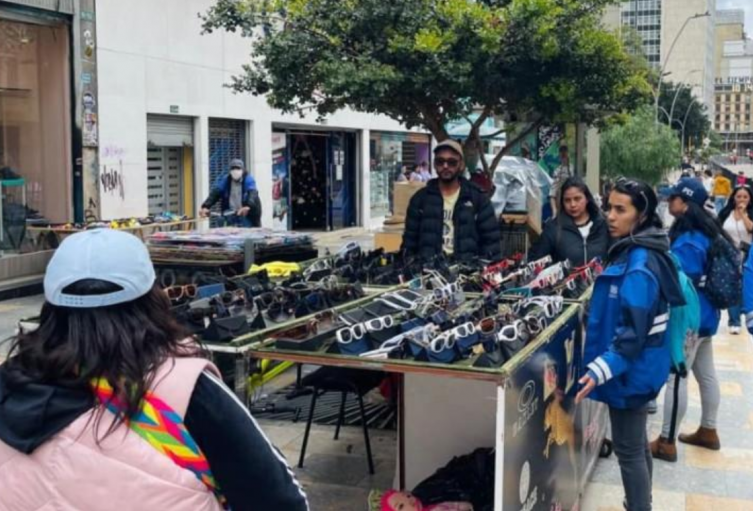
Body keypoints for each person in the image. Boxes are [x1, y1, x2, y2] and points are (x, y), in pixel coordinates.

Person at [0, 230, 309, 511]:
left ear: (51, 305)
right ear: (153, 298)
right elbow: (281, 501)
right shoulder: (185, 389)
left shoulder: (9, 385)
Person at [577, 178, 685, 511]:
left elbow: (633, 333)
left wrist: (600, 369)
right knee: (636, 445)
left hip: (630, 373)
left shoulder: (640, 264)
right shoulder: (643, 249)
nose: (610, 216)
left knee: (628, 450)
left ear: (642, 215)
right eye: (608, 207)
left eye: (620, 209)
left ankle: (639, 505)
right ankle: (641, 502)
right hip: (640, 368)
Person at [650, 178, 723, 463]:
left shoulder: (690, 239)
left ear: (686, 203)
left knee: (677, 375)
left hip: (690, 318)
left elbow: (681, 281)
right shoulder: (707, 231)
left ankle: (666, 441)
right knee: (706, 374)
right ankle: (708, 430)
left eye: (674, 197)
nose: (670, 201)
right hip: (706, 315)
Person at [401, 139, 502, 262]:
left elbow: (491, 243)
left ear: (461, 165)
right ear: (434, 164)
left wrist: (484, 268)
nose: (445, 166)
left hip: (467, 270)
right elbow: (409, 243)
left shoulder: (478, 198)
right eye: (440, 161)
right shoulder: (420, 200)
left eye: (452, 162)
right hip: (428, 269)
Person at [529, 177, 610, 267]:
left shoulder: (603, 225)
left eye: (577, 199)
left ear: (587, 199)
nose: (572, 204)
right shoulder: (554, 228)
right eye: (567, 200)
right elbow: (535, 262)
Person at [716, 186, 753, 334]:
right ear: (733, 198)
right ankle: (734, 320)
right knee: (732, 286)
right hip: (728, 255)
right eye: (739, 196)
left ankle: (748, 315)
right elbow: (717, 230)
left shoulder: (750, 214)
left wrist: (744, 214)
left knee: (745, 286)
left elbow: (751, 229)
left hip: (748, 256)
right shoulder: (726, 213)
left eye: (745, 197)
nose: (741, 200)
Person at [200, 159, 262, 227]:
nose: (235, 171)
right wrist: (206, 206)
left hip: (246, 214)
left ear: (243, 169)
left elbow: (252, 193)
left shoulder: (248, 179)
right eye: (233, 168)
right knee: (222, 224)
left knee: (247, 229)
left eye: (238, 168)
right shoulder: (226, 180)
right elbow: (216, 192)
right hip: (231, 213)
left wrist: (248, 206)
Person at [549, 145, 572, 215]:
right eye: (562, 154)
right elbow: (552, 193)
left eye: (565, 153)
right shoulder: (557, 171)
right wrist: (554, 211)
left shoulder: (573, 169)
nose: (564, 156)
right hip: (560, 202)